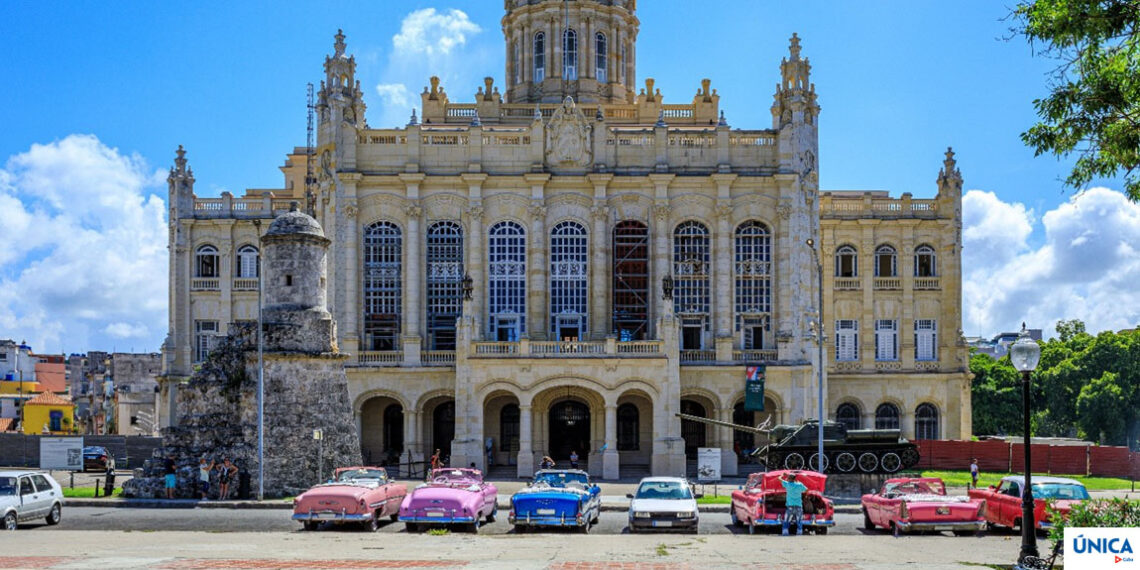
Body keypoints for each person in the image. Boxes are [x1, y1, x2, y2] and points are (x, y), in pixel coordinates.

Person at [780, 471, 807, 536]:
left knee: (786, 521)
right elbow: (806, 490)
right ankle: (799, 533)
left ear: (789, 478)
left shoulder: (787, 484)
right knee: (799, 521)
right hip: (799, 507)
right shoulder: (800, 485)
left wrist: (783, 475)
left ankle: (785, 533)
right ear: (795, 479)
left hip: (790, 507)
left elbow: (779, 479)